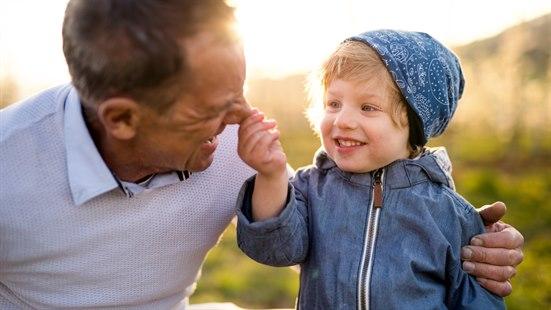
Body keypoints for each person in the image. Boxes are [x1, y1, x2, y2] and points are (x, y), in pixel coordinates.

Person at [0, 0, 521, 308]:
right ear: (122, 119)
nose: (243, 116)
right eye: (215, 107)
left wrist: (479, 247)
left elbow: (326, 227)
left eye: (240, 89)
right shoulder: (9, 167)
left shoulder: (237, 148)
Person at [235, 30, 512, 308]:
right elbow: (274, 248)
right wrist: (271, 175)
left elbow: (476, 300)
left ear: (414, 123)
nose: (342, 120)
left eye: (367, 107)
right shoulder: (310, 188)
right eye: (333, 104)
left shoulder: (449, 213)